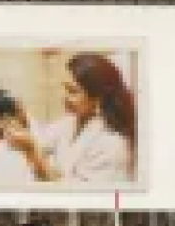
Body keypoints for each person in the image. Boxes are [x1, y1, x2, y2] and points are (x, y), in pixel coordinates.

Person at [33, 51, 137, 185]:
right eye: (65, 88)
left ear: (98, 98)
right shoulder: (69, 122)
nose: (64, 97)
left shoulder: (111, 143)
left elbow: (76, 193)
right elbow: (40, 141)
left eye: (72, 91)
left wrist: (32, 154)